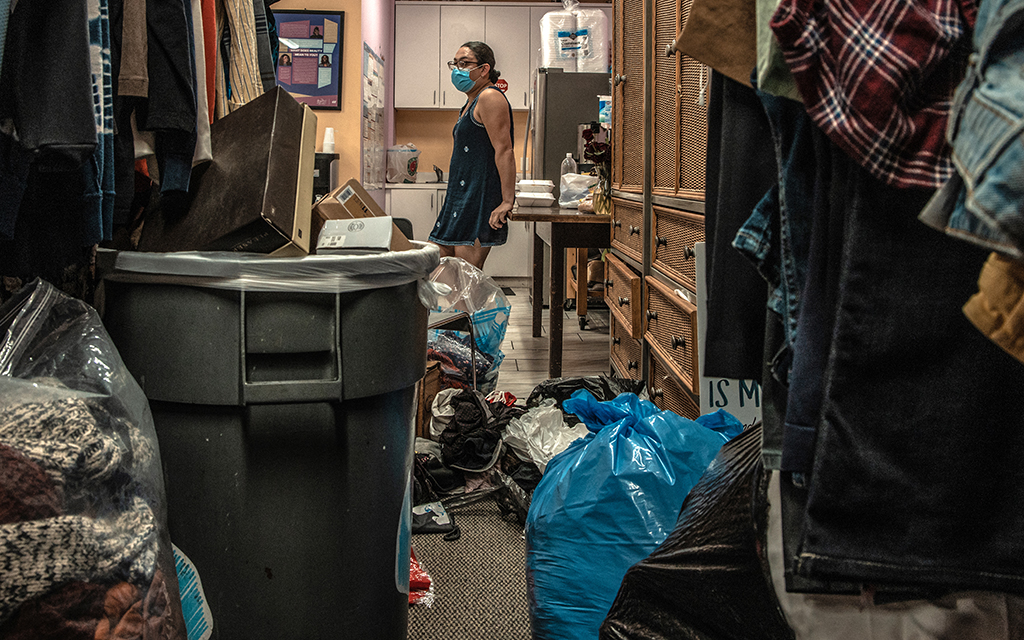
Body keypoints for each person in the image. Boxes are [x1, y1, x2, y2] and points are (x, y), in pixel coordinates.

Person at [428, 41, 515, 271]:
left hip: (478, 196)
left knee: (464, 279)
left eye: (464, 64)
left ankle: (470, 309)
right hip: (459, 195)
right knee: (433, 264)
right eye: (455, 64)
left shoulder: (489, 97)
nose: (457, 69)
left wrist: (507, 201)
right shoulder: (470, 103)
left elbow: (504, 150)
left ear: (484, 69)